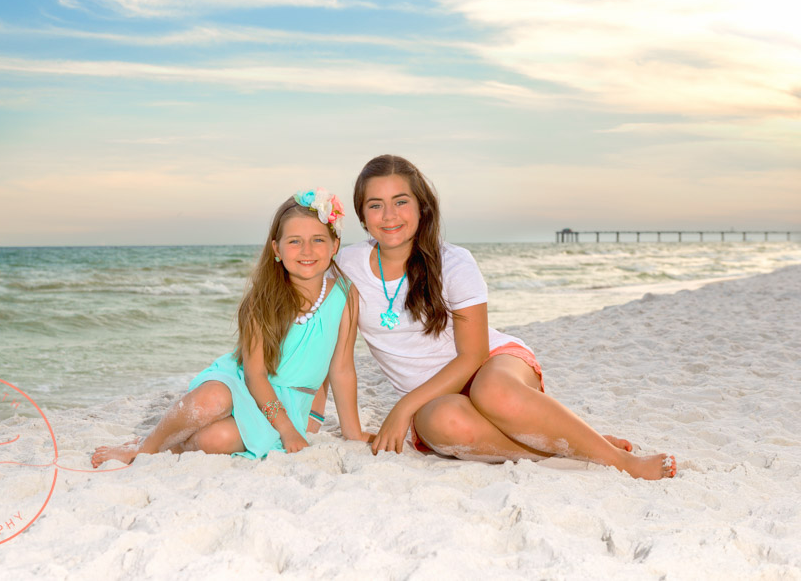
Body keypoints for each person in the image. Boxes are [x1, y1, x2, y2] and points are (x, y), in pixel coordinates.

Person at [334, 155, 676, 480]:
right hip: (434, 398)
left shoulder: (454, 262)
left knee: (492, 390)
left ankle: (619, 461)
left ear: (422, 207)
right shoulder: (348, 267)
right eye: (375, 204)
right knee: (442, 421)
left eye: (400, 201)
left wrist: (402, 407)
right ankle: (579, 447)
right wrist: (350, 430)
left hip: (491, 365)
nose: (389, 214)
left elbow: (474, 355)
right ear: (362, 216)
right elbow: (333, 348)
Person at [91, 189, 372, 466]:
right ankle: (147, 448)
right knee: (212, 399)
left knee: (216, 440)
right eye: (295, 241)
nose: (307, 251)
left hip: (296, 403)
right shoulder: (262, 301)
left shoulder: (345, 295)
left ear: (335, 246)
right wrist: (284, 429)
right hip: (245, 384)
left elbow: (342, 368)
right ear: (277, 249)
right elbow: (254, 376)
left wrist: (353, 433)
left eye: (318, 240)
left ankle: (175, 445)